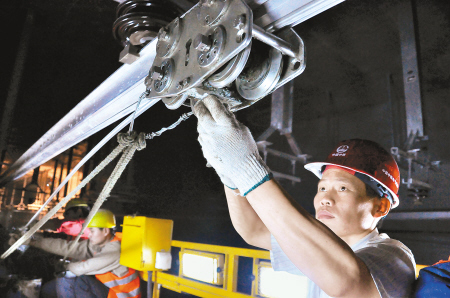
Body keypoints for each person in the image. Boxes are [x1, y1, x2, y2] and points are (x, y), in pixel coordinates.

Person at [193, 95, 416, 297]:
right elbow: (254, 230)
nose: (325, 199)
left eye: (342, 189)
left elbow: (350, 282)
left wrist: (247, 168)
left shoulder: (395, 257)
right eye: (322, 188)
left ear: (380, 207)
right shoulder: (317, 247)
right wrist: (231, 177)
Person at [10, 209, 141, 298]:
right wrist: (34, 242)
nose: (88, 234)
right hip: (108, 291)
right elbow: (68, 248)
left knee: (74, 279)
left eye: (92, 231)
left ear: (106, 231)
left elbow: (87, 266)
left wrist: (65, 267)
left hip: (120, 295)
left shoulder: (115, 250)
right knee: (49, 289)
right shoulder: (97, 244)